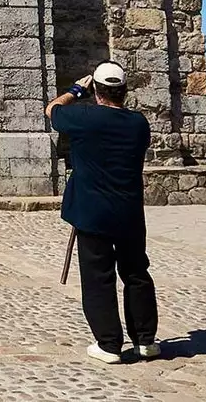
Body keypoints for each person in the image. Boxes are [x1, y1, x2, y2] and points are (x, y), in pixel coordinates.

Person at [46, 61, 160, 365]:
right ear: (124, 91)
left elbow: (52, 110)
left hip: (93, 212)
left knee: (99, 278)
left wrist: (74, 90)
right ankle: (145, 341)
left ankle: (109, 344)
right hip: (129, 213)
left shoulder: (83, 117)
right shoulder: (139, 123)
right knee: (136, 273)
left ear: (96, 90)